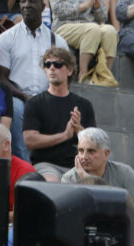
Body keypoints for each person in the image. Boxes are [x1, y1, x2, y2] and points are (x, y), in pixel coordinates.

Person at [0, 0, 68, 161]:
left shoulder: (57, 41)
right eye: (22, 1)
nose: (26, 5)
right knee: (16, 108)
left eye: (32, 1)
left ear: (43, 6)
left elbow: (65, 78)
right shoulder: (7, 38)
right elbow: (2, 78)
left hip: (47, 96)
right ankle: (25, 166)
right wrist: (25, 97)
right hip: (17, 96)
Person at [64, 128, 134, 238]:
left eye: (91, 151)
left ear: (106, 153)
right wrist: (85, 178)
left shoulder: (124, 172)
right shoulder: (69, 179)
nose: (84, 157)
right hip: (86, 239)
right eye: (81, 151)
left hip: (126, 238)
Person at [21, 46, 96, 181]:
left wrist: (78, 129)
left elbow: (94, 144)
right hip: (46, 164)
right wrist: (64, 135)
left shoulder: (84, 105)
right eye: (47, 64)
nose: (52, 68)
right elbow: (30, 140)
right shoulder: (35, 103)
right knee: (52, 184)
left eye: (58, 64)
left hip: (78, 165)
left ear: (70, 70)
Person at [51, 0, 118, 81]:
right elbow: (57, 11)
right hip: (63, 26)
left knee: (110, 31)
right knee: (93, 29)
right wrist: (83, 6)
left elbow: (102, 18)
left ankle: (105, 76)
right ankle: (83, 75)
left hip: (89, 26)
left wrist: (97, 7)